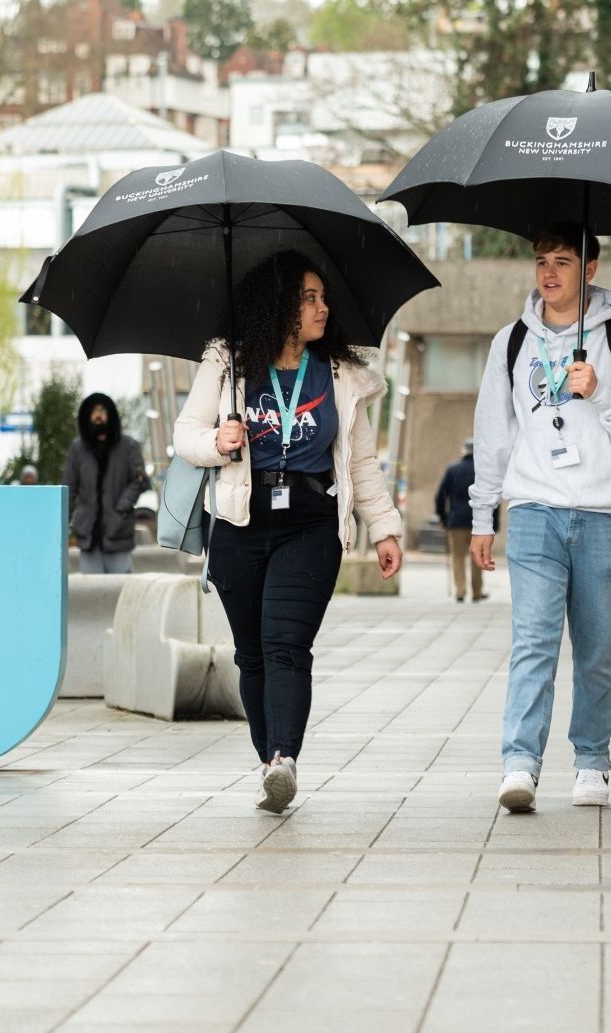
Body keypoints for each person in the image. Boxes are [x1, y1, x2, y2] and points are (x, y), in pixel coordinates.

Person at [174, 249, 404, 814]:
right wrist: (218, 443)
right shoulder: (227, 364)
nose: (323, 308)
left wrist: (384, 528)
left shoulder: (340, 374)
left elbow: (361, 462)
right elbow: (186, 432)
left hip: (310, 522)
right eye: (309, 298)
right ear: (278, 305)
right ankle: (269, 765)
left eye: (324, 298)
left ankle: (284, 758)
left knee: (285, 643)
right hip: (239, 521)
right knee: (250, 655)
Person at [469, 221, 611, 813]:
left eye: (561, 260)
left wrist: (601, 392)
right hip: (535, 510)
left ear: (590, 269)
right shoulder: (510, 343)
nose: (549, 272)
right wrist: (484, 513)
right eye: (540, 261)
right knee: (533, 638)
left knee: (597, 647)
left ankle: (591, 763)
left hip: (607, 514)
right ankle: (519, 764)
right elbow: (493, 435)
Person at [64, 393, 150, 573]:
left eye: (102, 410)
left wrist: (122, 507)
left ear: (110, 414)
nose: (98, 415)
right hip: (88, 534)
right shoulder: (77, 449)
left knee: (120, 591)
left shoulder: (128, 446)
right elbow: (68, 489)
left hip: (118, 531)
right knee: (92, 592)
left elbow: (140, 479)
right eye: (93, 411)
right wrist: (63, 523)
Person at [434, 439, 485, 603]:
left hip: (455, 521)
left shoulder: (453, 469)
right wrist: (492, 523)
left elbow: (440, 496)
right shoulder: (482, 470)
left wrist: (443, 517)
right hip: (478, 521)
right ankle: (477, 592)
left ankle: (460, 591)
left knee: (457, 557)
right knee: (477, 556)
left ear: (464, 450)